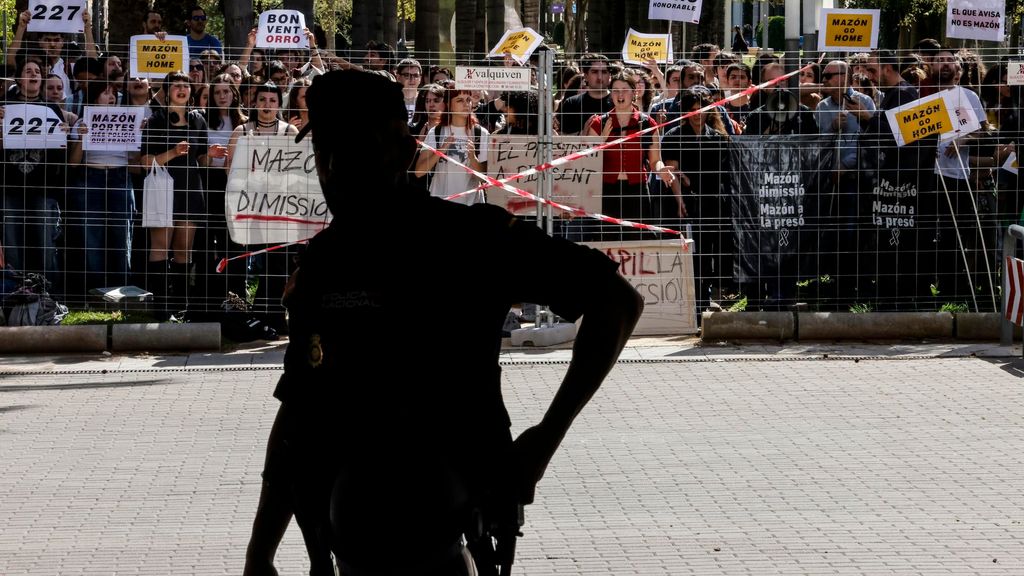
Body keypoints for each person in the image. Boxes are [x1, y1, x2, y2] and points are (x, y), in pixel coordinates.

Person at [242, 68, 643, 576]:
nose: (334, 166)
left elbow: (617, 301)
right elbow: (300, 405)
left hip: (447, 521)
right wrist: (260, 554)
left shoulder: (470, 240)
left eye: (354, 146)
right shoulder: (324, 262)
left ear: (403, 150)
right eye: (323, 148)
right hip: (341, 533)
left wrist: (545, 438)